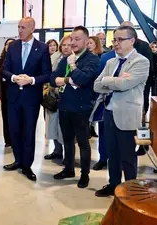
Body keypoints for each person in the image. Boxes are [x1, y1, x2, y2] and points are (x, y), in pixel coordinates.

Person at [93, 25, 149, 197]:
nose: (115, 43)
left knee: (128, 156)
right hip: (109, 113)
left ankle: (131, 189)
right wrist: (115, 80)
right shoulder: (111, 62)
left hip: (127, 115)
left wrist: (108, 80)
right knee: (112, 154)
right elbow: (96, 85)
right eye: (114, 39)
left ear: (132, 41)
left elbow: (125, 85)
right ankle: (113, 184)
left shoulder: (141, 62)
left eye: (120, 39)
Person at [2, 17, 52, 181]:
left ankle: (27, 165)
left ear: (32, 28)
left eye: (23, 27)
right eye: (19, 27)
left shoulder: (42, 48)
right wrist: (15, 77)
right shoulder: (13, 47)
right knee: (14, 130)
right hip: (14, 96)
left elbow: (47, 74)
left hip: (31, 97)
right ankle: (18, 160)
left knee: (29, 131)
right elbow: (4, 70)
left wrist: (31, 80)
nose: (20, 30)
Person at [50, 26, 99, 188]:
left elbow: (83, 80)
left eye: (77, 39)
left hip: (81, 108)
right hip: (64, 106)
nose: (73, 42)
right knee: (67, 140)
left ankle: (85, 174)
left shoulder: (91, 59)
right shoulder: (66, 57)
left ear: (86, 41)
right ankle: (69, 168)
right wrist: (66, 80)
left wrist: (73, 67)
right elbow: (52, 78)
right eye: (72, 39)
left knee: (83, 143)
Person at [120, 21, 153, 156]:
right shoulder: (118, 47)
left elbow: (148, 69)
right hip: (121, 91)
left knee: (141, 117)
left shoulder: (144, 46)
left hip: (140, 90)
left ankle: (143, 146)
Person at [44, 35, 73, 163]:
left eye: (69, 45)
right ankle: (57, 150)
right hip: (52, 95)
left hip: (68, 97)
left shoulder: (75, 59)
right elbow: (50, 75)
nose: (66, 47)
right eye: (64, 45)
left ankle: (68, 156)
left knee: (65, 130)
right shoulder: (55, 57)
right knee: (52, 125)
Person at [0, 38, 15, 147]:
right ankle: (7, 140)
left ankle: (15, 138)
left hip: (15, 92)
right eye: (7, 44)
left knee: (14, 117)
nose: (9, 46)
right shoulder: (1, 59)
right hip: (4, 91)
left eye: (11, 44)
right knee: (5, 116)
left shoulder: (17, 58)